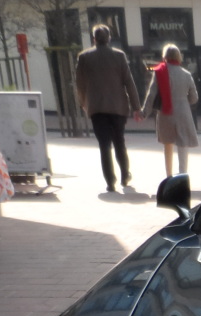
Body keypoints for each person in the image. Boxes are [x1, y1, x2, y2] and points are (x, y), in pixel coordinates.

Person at [75, 24, 141, 192]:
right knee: (119, 141)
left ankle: (110, 181)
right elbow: (129, 82)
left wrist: (84, 102)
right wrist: (136, 106)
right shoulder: (119, 56)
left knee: (104, 145)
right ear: (109, 38)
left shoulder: (84, 57)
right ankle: (125, 175)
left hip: (97, 108)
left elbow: (80, 84)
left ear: (94, 39)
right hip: (118, 107)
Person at [142, 44, 198, 180]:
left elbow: (151, 95)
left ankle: (169, 177)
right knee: (183, 144)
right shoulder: (186, 75)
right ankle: (183, 176)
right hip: (183, 112)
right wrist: (184, 102)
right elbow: (194, 97)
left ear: (165, 56)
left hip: (166, 113)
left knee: (168, 144)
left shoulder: (159, 72)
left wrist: (144, 113)